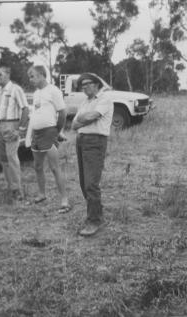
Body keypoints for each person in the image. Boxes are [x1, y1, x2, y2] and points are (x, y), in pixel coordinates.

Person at [72, 73, 114, 237]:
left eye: (89, 83)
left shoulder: (104, 99)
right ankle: (97, 213)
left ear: (97, 85)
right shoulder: (84, 102)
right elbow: (75, 124)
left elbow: (92, 116)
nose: (85, 87)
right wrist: (84, 118)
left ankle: (94, 221)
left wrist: (84, 117)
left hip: (95, 142)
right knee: (84, 183)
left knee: (91, 183)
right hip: (81, 141)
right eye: (82, 85)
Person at [25, 65, 70, 212]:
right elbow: (37, 113)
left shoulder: (53, 90)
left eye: (32, 76)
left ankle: (64, 200)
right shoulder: (37, 93)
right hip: (36, 134)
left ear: (42, 75)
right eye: (29, 77)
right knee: (37, 166)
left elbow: (62, 113)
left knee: (54, 167)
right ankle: (42, 194)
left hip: (49, 133)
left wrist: (56, 131)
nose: (30, 79)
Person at [0, 65, 30, 201]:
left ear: (8, 74)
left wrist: (20, 129)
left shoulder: (15, 89)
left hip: (11, 124)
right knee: (3, 158)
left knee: (11, 156)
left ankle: (18, 190)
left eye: (0, 74)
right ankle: (11, 188)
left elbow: (25, 109)